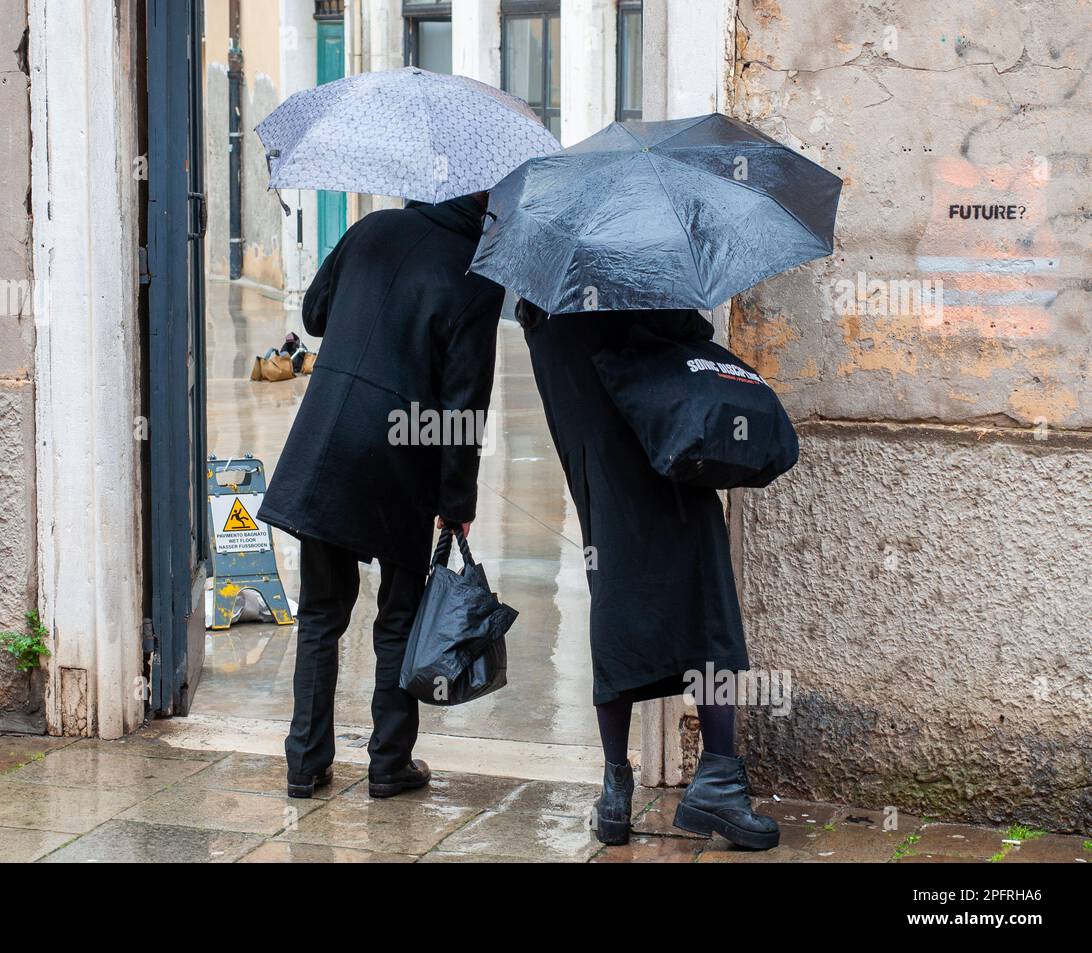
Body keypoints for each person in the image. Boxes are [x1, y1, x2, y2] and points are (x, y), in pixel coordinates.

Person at [259, 193, 503, 800]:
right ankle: (389, 763)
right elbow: (463, 405)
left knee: (321, 615)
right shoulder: (478, 274)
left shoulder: (370, 230)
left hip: (325, 444)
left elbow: (314, 314)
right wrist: (458, 500)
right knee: (397, 619)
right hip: (401, 460)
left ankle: (305, 763)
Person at [516, 299, 780, 850]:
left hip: (603, 475)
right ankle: (720, 782)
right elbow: (690, 338)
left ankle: (616, 788)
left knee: (617, 611)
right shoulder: (636, 280)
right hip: (670, 464)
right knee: (707, 612)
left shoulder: (542, 303)